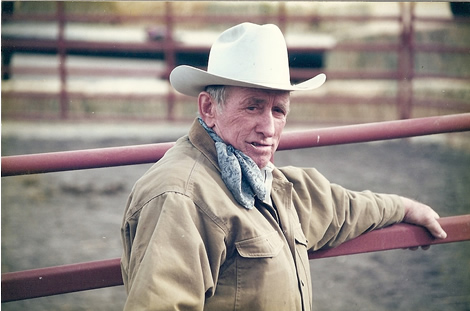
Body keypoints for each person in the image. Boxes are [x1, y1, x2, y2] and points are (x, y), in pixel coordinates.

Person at [120, 22, 447, 311]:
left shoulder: (269, 184)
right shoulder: (181, 199)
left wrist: (403, 207)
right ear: (208, 108)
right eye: (253, 107)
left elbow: (341, 208)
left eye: (278, 110)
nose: (269, 127)